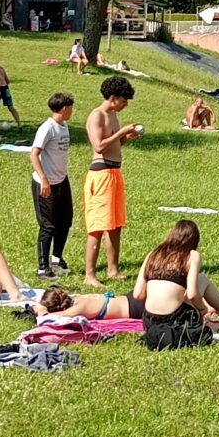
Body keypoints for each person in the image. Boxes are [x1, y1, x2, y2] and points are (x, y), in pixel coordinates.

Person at [133, 219, 219, 350]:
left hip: (149, 321)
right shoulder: (191, 255)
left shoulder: (153, 255)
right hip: (175, 318)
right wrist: (202, 309)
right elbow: (193, 294)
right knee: (202, 279)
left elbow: (137, 294)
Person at [83, 75, 141, 286]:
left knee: (116, 225)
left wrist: (126, 137)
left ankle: (112, 269)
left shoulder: (114, 116)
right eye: (124, 100)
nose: (125, 105)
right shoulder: (97, 116)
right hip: (101, 174)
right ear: (113, 97)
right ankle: (89, 275)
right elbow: (98, 146)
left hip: (115, 173)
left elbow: (114, 144)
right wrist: (122, 132)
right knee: (98, 226)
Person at [35, 284, 219, 322]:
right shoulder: (81, 297)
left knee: (196, 306)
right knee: (187, 299)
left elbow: (55, 318)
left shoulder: (79, 308)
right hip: (132, 297)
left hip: (135, 308)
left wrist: (41, 311)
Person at [31, 92, 75, 281]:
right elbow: (34, 154)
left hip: (61, 180)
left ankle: (57, 259)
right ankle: (43, 267)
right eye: (71, 107)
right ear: (64, 108)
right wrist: (44, 180)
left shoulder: (64, 126)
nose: (72, 111)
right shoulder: (47, 128)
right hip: (45, 183)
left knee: (65, 221)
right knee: (48, 225)